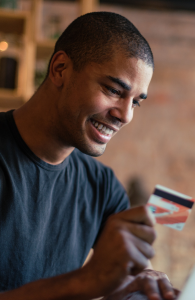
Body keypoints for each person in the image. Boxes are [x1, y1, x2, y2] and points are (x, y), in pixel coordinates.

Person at [0, 12, 177, 300]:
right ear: (60, 69)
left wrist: (146, 290)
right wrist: (84, 282)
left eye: (136, 102)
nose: (126, 115)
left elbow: (131, 282)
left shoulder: (103, 187)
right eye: (113, 90)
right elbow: (91, 281)